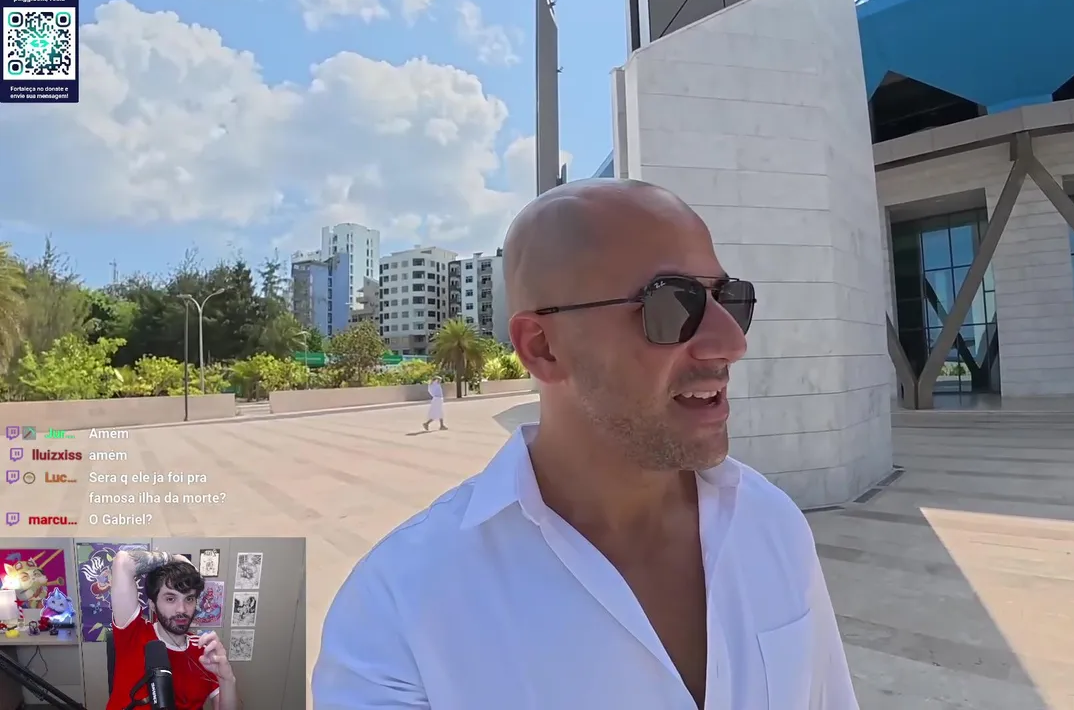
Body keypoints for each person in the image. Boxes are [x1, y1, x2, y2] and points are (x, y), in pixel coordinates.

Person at [313, 178, 859, 709]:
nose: (732, 342)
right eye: (674, 305)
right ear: (543, 347)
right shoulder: (399, 611)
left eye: (729, 300)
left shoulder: (772, 524)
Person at [106, 550, 237, 710]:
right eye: (170, 598)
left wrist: (227, 679)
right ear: (153, 605)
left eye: (189, 599)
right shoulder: (133, 633)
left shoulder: (204, 651)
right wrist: (176, 559)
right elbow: (123, 562)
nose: (181, 609)